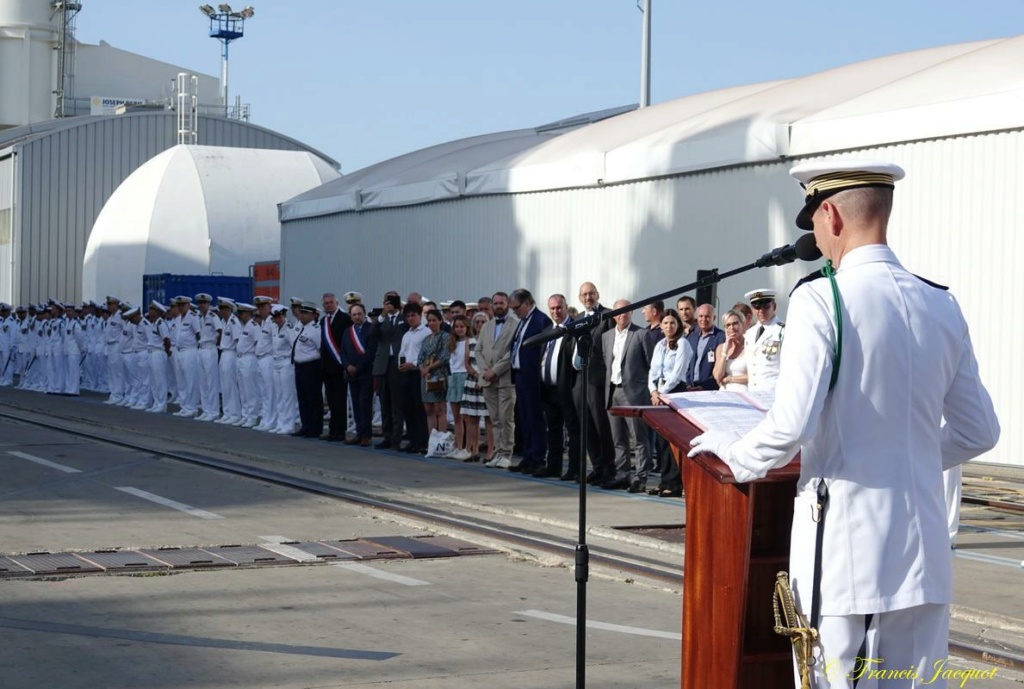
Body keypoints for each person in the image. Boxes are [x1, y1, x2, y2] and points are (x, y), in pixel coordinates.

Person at [688, 160, 1000, 688]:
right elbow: (979, 431)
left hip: (843, 538)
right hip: (921, 541)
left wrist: (730, 452)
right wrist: (909, 457)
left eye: (812, 222)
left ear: (829, 215)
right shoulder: (940, 302)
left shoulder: (821, 298)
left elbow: (789, 426)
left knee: (826, 679)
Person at [600, 299, 653, 492]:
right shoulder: (606, 336)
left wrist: (646, 390)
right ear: (614, 315)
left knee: (638, 438)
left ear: (632, 313)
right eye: (619, 312)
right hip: (613, 390)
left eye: (627, 311)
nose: (623, 315)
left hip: (634, 392)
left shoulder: (641, 334)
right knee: (618, 438)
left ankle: (640, 477)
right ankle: (622, 474)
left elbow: (651, 365)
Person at [648, 308, 694, 497]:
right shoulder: (660, 345)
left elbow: (677, 374)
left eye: (672, 323)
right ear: (661, 326)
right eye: (666, 323)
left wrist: (662, 393)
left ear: (678, 325)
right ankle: (664, 479)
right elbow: (652, 370)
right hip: (658, 393)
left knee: (671, 441)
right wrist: (653, 390)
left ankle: (674, 484)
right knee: (660, 440)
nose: (669, 326)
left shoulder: (683, 344)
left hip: (674, 392)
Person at [575, 282, 616, 485]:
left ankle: (609, 468)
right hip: (579, 379)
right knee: (587, 427)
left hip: (598, 380)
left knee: (602, 425)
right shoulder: (577, 320)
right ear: (579, 297)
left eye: (591, 293)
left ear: (597, 295)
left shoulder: (607, 316)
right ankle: (597, 466)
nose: (588, 297)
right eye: (584, 294)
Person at [508, 288, 552, 474]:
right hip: (520, 375)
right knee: (524, 418)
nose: (515, 312)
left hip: (532, 376)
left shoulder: (541, 320)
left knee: (535, 418)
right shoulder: (523, 321)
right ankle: (527, 455)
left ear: (528, 303)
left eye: (516, 307)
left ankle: (537, 457)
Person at [540, 294, 581, 480]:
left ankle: (574, 469)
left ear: (566, 307)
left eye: (559, 308)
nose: (556, 311)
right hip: (549, 390)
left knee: (573, 431)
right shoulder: (547, 330)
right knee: (553, 430)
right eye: (552, 308)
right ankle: (553, 466)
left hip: (568, 389)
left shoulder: (574, 329)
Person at [478, 292, 519, 468]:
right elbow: (478, 350)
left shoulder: (515, 325)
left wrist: (495, 371)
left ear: (508, 305)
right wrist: (484, 370)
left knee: (506, 418)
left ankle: (506, 453)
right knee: (494, 419)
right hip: (488, 380)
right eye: (495, 303)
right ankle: (497, 452)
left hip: (505, 379)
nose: (498, 306)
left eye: (501, 303)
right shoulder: (486, 326)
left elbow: (512, 352)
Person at [340, 302, 378, 445]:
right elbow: (342, 352)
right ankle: (358, 433)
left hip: (366, 373)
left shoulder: (371, 329)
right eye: (354, 314)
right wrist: (347, 365)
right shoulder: (347, 331)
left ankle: (366, 435)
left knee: (364, 404)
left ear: (364, 314)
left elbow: (370, 352)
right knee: (355, 405)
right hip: (351, 374)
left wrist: (358, 367)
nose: (357, 317)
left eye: (359, 314)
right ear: (350, 316)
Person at [372, 292, 405, 450]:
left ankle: (396, 438)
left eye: (392, 302)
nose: (390, 304)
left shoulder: (403, 318)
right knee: (384, 402)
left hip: (397, 363)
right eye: (387, 301)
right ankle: (387, 436)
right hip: (383, 364)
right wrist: (381, 316)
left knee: (397, 404)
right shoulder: (381, 319)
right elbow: (371, 335)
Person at [319, 292, 353, 441]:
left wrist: (345, 363)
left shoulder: (345, 319)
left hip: (339, 366)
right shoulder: (323, 321)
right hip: (327, 367)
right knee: (332, 401)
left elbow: (347, 343)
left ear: (337, 303)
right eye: (326, 303)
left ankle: (340, 432)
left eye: (331, 302)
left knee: (340, 401)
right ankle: (333, 430)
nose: (328, 305)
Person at [398, 302, 431, 453]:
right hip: (406, 373)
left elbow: (427, 355)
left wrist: (415, 364)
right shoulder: (406, 334)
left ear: (420, 316)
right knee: (407, 407)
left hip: (419, 373)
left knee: (419, 409)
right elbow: (402, 352)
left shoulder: (426, 332)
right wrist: (401, 363)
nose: (411, 318)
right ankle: (412, 440)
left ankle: (422, 441)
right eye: (408, 316)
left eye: (413, 315)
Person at [291, 301, 324, 438]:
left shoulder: (316, 329)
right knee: (302, 397)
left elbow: (320, 349)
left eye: (305, 313)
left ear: (314, 315)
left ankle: (314, 428)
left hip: (311, 366)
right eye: (301, 313)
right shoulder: (302, 328)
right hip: (300, 366)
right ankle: (306, 426)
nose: (302, 315)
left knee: (312, 398)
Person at [463, 312, 492, 462]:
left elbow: (491, 362)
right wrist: (475, 376)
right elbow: (466, 362)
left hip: (486, 381)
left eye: (483, 322)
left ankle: (490, 452)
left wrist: (482, 378)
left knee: (489, 419)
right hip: (472, 380)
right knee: (472, 418)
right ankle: (473, 450)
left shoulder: (491, 341)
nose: (480, 325)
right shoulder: (470, 341)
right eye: (477, 322)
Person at [744, 288, 785, 393]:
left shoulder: (783, 331)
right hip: (753, 391)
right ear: (752, 309)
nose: (761, 311)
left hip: (774, 392)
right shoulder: (750, 333)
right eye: (757, 307)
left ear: (774, 306)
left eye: (766, 306)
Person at [417, 309, 450, 439]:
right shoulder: (426, 339)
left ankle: (441, 439)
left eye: (434, 320)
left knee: (439, 409)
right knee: (428, 410)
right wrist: (422, 368)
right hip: (425, 376)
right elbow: (420, 357)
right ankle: (432, 439)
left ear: (440, 321)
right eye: (429, 320)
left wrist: (429, 367)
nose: (431, 323)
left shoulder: (445, 336)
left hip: (438, 374)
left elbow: (444, 356)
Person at [445, 315, 473, 460]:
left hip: (465, 376)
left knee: (466, 417)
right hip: (454, 377)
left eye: (462, 326)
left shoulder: (470, 342)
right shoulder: (452, 343)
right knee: (456, 417)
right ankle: (459, 446)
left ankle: (467, 447)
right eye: (456, 327)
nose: (459, 329)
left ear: (467, 327)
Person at [195, 293, 222, 422]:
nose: (201, 305)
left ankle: (214, 411)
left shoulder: (213, 316)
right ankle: (206, 410)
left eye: (204, 303)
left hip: (210, 348)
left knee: (211, 382)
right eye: (200, 303)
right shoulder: (200, 317)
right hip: (201, 349)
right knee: (203, 382)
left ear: (208, 304)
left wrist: (217, 344)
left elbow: (220, 331)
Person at [685, 304, 725, 390]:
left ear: (713, 318)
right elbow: (687, 363)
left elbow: (721, 367)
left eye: (707, 316)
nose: (703, 319)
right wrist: (687, 384)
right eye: (701, 316)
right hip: (690, 388)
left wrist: (704, 387)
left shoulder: (721, 337)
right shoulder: (692, 337)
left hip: (709, 388)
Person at [713, 309, 748, 391]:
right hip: (725, 392)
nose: (731, 327)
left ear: (742, 324)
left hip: (744, 392)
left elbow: (755, 375)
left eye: (735, 323)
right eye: (727, 325)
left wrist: (730, 379)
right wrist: (725, 352)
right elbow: (717, 376)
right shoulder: (721, 347)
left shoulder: (750, 346)